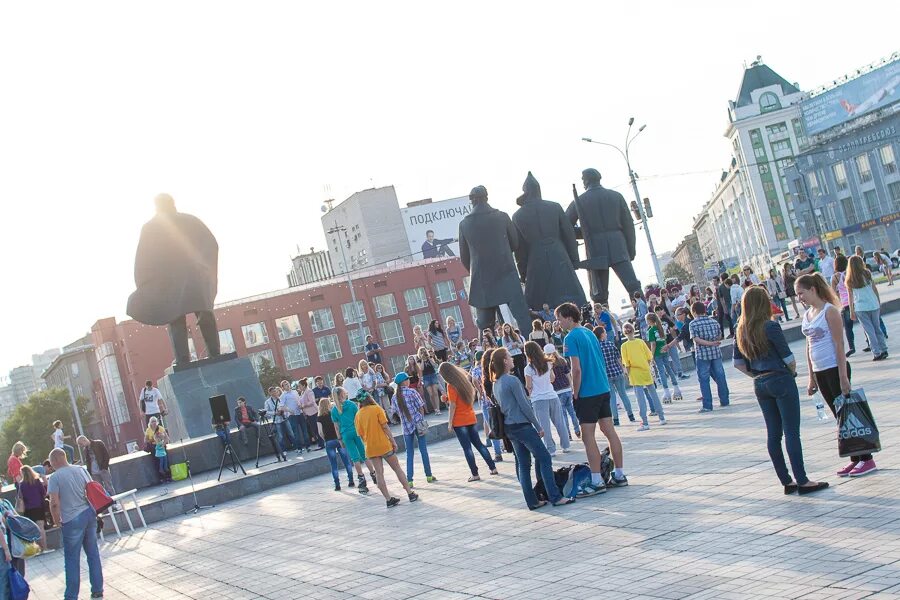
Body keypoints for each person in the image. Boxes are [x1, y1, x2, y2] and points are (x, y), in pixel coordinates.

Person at [733, 287, 829, 495]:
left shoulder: (740, 329)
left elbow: (738, 363)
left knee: (773, 434)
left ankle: (787, 481)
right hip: (780, 378)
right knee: (791, 432)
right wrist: (791, 372)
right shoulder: (770, 326)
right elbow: (789, 359)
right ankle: (803, 480)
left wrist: (756, 375)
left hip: (759, 383)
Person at [796, 273, 877, 478]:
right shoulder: (808, 315)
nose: (799, 298)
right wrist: (811, 377)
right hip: (820, 370)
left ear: (813, 289)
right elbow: (808, 346)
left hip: (834, 368)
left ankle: (867, 458)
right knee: (839, 416)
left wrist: (843, 377)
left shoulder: (829, 311)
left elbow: (839, 344)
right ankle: (854, 457)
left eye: (801, 293)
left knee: (849, 415)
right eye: (797, 295)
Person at [127, 193, 221, 367]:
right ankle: (215, 353)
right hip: (197, 278)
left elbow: (144, 259)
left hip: (170, 283)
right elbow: (211, 244)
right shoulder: (192, 220)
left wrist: (145, 283)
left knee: (175, 318)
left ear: (157, 207)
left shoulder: (151, 227)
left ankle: (183, 360)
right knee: (205, 312)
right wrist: (205, 267)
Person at [556, 302, 627, 494]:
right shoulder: (589, 333)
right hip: (602, 388)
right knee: (610, 431)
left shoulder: (571, 337)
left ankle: (596, 480)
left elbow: (576, 369)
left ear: (569, 317)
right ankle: (619, 474)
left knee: (588, 437)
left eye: (560, 318)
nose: (558, 323)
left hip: (587, 392)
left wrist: (575, 392)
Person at [490, 348, 574, 509]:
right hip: (522, 425)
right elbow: (525, 406)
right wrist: (537, 425)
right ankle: (555, 497)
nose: (513, 358)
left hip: (510, 427)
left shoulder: (497, 383)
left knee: (523, 464)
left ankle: (532, 501)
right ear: (505, 361)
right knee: (544, 458)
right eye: (509, 356)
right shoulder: (512, 380)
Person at [458, 185, 533, 332]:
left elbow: (464, 258)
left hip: (481, 279)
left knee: (486, 327)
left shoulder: (465, 224)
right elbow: (515, 243)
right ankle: (534, 348)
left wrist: (476, 271)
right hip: (507, 273)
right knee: (523, 317)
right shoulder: (502, 217)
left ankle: (489, 353)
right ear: (487, 197)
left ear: (472, 200)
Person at [566, 167, 641, 304]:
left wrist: (584, 233)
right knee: (633, 287)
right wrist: (630, 250)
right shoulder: (616, 196)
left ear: (586, 180)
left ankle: (603, 324)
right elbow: (629, 226)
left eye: (583, 179)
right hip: (619, 246)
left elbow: (566, 228)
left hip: (596, 249)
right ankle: (646, 314)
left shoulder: (580, 201)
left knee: (599, 296)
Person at [48, 448, 104, 600]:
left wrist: (56, 521)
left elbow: (54, 503)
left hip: (71, 519)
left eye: (51, 462)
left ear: (55, 461)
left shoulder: (55, 477)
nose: (51, 466)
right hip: (88, 513)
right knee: (93, 553)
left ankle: (71, 595)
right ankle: (98, 589)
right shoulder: (81, 470)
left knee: (72, 559)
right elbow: (92, 489)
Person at [355, 392, 419, 508]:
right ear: (370, 398)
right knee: (397, 468)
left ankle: (388, 499)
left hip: (371, 448)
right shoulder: (377, 409)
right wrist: (393, 441)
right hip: (384, 445)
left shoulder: (358, 415)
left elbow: (360, 434)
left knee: (379, 473)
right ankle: (410, 493)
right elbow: (385, 426)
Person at [440, 362, 498, 482]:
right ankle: (492, 467)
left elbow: (453, 405)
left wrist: (450, 422)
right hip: (470, 418)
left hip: (459, 421)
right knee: (479, 445)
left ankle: (475, 474)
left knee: (467, 449)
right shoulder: (463, 381)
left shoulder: (451, 386)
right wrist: (446, 398)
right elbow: (460, 399)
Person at [523, 341, 571, 456]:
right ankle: (565, 445)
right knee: (560, 422)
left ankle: (551, 449)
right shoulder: (548, 363)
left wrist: (530, 394)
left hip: (538, 399)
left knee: (545, 426)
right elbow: (552, 378)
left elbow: (529, 386)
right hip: (552, 395)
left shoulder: (528, 368)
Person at [390, 373, 435, 487]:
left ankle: (409, 480)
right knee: (423, 450)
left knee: (409, 454)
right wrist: (420, 419)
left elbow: (393, 412)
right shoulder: (412, 392)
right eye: (407, 379)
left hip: (405, 428)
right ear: (404, 382)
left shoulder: (395, 397)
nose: (409, 381)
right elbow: (421, 407)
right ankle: (429, 475)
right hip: (418, 424)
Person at [620, 322, 666, 431]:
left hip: (635, 373)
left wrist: (627, 373)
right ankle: (662, 417)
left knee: (640, 399)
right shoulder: (640, 342)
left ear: (624, 333)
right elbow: (649, 356)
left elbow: (626, 363)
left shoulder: (624, 346)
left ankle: (645, 422)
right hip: (645, 370)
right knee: (653, 394)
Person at [688, 301, 730, 413]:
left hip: (702, 354)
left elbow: (696, 339)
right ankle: (725, 400)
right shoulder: (713, 321)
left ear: (694, 312)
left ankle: (707, 405)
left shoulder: (693, 324)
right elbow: (719, 335)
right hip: (716, 353)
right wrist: (713, 342)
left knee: (704, 380)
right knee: (720, 376)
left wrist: (708, 343)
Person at [331, 387, 374, 493]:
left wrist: (340, 439)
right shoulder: (351, 404)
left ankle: (361, 479)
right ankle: (374, 474)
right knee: (364, 455)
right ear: (342, 394)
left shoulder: (334, 409)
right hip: (356, 431)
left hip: (345, 434)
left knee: (355, 458)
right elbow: (358, 418)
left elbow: (336, 427)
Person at [846, 255, 888, 361]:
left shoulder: (849, 278)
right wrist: (878, 301)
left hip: (861, 307)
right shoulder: (867, 273)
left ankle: (876, 353)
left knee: (869, 331)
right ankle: (884, 349)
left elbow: (850, 297)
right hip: (873, 304)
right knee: (877, 328)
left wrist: (851, 311)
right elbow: (874, 288)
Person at [594, 330, 635, 426]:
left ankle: (616, 419)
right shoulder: (610, 344)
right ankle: (631, 415)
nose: (606, 334)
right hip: (617, 372)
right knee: (623, 394)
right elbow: (618, 359)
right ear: (601, 335)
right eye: (604, 332)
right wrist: (623, 370)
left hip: (606, 375)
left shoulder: (596, 348)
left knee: (612, 398)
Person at [317, 398, 354, 491]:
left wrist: (325, 439)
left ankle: (337, 484)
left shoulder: (319, 418)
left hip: (329, 442)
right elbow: (339, 425)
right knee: (346, 461)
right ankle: (351, 480)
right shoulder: (334, 413)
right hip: (339, 439)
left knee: (333, 464)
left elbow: (320, 432)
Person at [546, 344, 582, 438]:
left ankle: (568, 434)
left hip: (557, 391)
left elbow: (550, 379)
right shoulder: (562, 360)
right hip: (567, 388)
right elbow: (568, 375)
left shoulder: (548, 364)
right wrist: (571, 387)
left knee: (563, 414)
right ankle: (577, 430)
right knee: (572, 411)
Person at [646, 313, 683, 403]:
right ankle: (676, 388)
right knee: (669, 368)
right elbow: (664, 339)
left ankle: (666, 392)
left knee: (661, 371)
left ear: (649, 321)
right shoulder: (661, 327)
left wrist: (651, 356)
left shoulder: (651, 331)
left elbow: (653, 344)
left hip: (658, 353)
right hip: (665, 350)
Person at [477, 349, 504, 462]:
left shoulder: (478, 370)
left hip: (487, 403)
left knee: (493, 427)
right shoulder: (497, 368)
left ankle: (497, 453)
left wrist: (479, 392)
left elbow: (474, 381)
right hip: (500, 401)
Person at [829, 254, 856, 357]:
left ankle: (852, 347)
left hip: (844, 303)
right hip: (855, 300)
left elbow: (833, 292)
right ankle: (869, 342)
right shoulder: (851, 273)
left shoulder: (835, 277)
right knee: (863, 323)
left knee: (848, 327)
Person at [18, 465, 48, 549]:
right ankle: (44, 548)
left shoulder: (22, 484)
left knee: (33, 529)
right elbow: (43, 492)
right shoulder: (37, 481)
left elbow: (21, 497)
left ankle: (37, 548)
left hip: (28, 509)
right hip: (39, 507)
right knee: (41, 528)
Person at [264, 386, 296, 456]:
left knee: (291, 433)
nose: (274, 393)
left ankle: (296, 447)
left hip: (285, 418)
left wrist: (284, 411)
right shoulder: (267, 402)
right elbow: (266, 412)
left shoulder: (281, 398)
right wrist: (275, 413)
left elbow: (286, 406)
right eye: (272, 392)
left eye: (275, 391)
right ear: (270, 393)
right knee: (280, 436)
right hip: (277, 421)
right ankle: (283, 450)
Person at [280, 380, 307, 455]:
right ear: (282, 387)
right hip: (292, 415)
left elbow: (299, 400)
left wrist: (301, 407)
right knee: (296, 432)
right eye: (285, 385)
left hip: (300, 413)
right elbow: (281, 406)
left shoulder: (295, 392)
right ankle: (299, 448)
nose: (287, 385)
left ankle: (308, 446)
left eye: (288, 384)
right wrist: (289, 410)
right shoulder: (283, 395)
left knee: (304, 430)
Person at [415, 347, 442, 415]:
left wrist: (429, 358)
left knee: (435, 392)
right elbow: (421, 368)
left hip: (433, 375)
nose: (423, 352)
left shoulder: (429, 357)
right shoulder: (419, 360)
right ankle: (435, 409)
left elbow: (434, 365)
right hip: (426, 377)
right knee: (431, 394)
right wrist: (422, 360)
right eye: (421, 351)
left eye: (424, 351)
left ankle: (438, 409)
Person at [298, 379, 323, 451]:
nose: (299, 387)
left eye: (300, 386)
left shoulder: (309, 391)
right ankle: (320, 443)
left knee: (316, 428)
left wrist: (303, 406)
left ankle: (321, 444)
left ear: (304, 385)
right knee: (314, 429)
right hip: (308, 413)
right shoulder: (303, 392)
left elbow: (312, 401)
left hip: (313, 412)